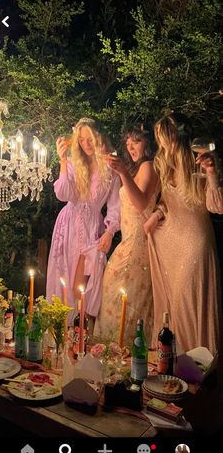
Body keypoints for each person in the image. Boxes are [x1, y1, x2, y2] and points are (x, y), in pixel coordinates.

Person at [144, 112, 223, 355]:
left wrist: (212, 173)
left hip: (196, 240)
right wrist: (157, 214)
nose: (163, 141)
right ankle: (176, 359)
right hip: (172, 241)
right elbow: (168, 203)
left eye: (166, 134)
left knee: (190, 301)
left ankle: (199, 359)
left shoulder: (198, 160)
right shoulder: (163, 164)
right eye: (160, 136)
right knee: (176, 303)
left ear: (177, 134)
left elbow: (216, 206)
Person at [46, 117, 121, 328]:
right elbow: (63, 194)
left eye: (90, 139)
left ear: (99, 137)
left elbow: (116, 207)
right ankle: (62, 336)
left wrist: (110, 232)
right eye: (81, 140)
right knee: (64, 283)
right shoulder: (72, 164)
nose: (86, 144)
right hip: (68, 225)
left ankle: (81, 339)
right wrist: (62, 160)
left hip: (93, 230)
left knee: (85, 286)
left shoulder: (111, 169)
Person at [94, 123, 158, 347]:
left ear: (148, 143)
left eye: (136, 141)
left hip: (139, 246)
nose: (130, 146)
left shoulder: (149, 166)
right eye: (128, 142)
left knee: (129, 302)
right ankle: (107, 352)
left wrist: (122, 173)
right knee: (114, 294)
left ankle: (125, 353)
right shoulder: (135, 170)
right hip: (127, 241)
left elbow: (140, 204)